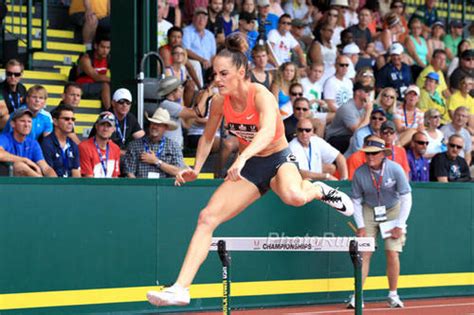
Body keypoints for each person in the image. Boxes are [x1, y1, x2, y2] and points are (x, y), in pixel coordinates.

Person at [146, 36, 354, 308]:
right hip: (252, 167)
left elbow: (268, 131)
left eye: (224, 74)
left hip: (278, 159)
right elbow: (208, 137)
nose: (217, 80)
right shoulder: (220, 102)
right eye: (214, 74)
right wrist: (195, 168)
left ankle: (318, 189)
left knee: (294, 196)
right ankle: (181, 288)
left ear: (241, 73)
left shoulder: (261, 95)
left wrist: (242, 156)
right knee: (207, 217)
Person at [349, 136, 412, 309]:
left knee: (392, 252)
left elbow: (406, 198)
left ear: (383, 154)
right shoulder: (360, 173)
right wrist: (360, 226)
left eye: (374, 153)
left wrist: (400, 224)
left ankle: (393, 295)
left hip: (393, 210)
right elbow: (355, 200)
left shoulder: (396, 169)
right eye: (367, 153)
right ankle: (357, 296)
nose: (370, 157)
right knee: (364, 253)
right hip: (369, 209)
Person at [124, 108, 185, 178]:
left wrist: (156, 161)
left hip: (164, 187)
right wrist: (139, 188)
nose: (154, 126)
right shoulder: (134, 145)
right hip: (141, 187)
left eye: (159, 124)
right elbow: (129, 172)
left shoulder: (173, 146)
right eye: (153, 123)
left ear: (166, 127)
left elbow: (178, 171)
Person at [0, 108, 56, 177]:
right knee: (19, 165)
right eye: (22, 121)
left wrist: (54, 179)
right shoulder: (4, 138)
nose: (26, 125)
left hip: (26, 183)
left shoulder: (33, 143)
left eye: (29, 121)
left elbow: (45, 167)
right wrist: (25, 160)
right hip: (6, 183)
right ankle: (43, 184)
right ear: (13, 124)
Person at [89, 88, 145, 156]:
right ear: (113, 103)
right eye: (121, 102)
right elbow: (102, 146)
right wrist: (128, 153)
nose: (125, 105)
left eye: (128, 103)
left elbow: (142, 138)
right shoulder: (106, 117)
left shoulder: (130, 118)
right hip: (103, 154)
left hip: (122, 155)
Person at [325, 82, 373, 154]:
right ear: (358, 92)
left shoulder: (364, 106)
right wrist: (368, 112)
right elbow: (358, 132)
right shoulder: (347, 108)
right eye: (366, 91)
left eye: (369, 92)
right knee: (355, 140)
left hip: (348, 136)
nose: (368, 94)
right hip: (335, 139)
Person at [157, 76, 200, 148]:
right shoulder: (167, 105)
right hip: (169, 149)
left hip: (174, 148)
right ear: (173, 91)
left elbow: (187, 125)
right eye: (180, 87)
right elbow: (194, 113)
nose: (182, 90)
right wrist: (203, 97)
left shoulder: (172, 105)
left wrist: (195, 102)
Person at [40, 104, 81, 178]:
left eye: (73, 119)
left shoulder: (73, 145)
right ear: (55, 121)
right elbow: (48, 171)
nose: (70, 122)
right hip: (53, 186)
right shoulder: (46, 144)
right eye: (66, 119)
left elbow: (76, 172)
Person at [79, 111, 120, 178]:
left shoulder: (116, 148)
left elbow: (115, 177)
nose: (105, 129)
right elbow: (88, 178)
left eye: (109, 126)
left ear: (113, 129)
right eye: (102, 125)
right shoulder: (84, 147)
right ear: (96, 126)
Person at [75, 35, 111, 110]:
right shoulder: (86, 58)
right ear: (95, 46)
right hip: (82, 86)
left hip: (96, 87)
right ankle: (110, 112)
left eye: (108, 48)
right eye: (102, 47)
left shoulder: (108, 58)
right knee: (105, 85)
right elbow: (96, 77)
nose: (105, 50)